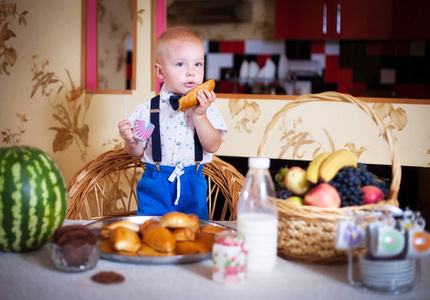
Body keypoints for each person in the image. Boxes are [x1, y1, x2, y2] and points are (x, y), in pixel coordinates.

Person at [118, 28, 227, 220]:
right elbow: (136, 152)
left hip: (193, 183)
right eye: (180, 64)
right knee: (151, 231)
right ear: (160, 71)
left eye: (198, 64)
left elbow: (213, 145)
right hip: (156, 183)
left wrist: (199, 115)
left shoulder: (207, 107)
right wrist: (130, 140)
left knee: (195, 233)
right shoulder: (147, 109)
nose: (191, 72)